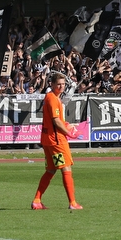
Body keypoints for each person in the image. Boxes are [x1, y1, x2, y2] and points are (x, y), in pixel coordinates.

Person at [32, 73, 82, 210]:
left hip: (48, 140)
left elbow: (57, 120)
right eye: (58, 84)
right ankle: (72, 203)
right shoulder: (53, 99)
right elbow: (55, 121)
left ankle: (37, 200)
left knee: (51, 170)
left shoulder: (52, 98)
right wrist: (69, 132)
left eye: (63, 84)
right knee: (66, 168)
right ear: (52, 84)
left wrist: (67, 125)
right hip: (56, 140)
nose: (61, 86)